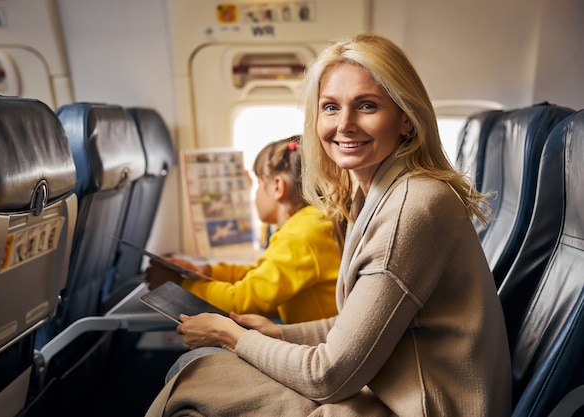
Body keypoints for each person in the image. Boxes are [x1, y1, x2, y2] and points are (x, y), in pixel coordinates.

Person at [145, 33, 512, 417]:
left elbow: (329, 376)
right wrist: (277, 333)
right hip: (392, 386)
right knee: (203, 374)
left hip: (424, 405)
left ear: (406, 119)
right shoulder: (375, 193)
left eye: (367, 106)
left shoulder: (411, 207)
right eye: (331, 107)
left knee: (198, 386)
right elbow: (362, 326)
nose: (345, 124)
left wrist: (231, 335)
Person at [145, 135, 342, 324]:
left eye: (259, 183)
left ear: (277, 187)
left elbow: (241, 301)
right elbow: (260, 273)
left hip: (316, 345)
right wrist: (207, 271)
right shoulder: (310, 223)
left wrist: (182, 286)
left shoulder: (300, 235)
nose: (255, 192)